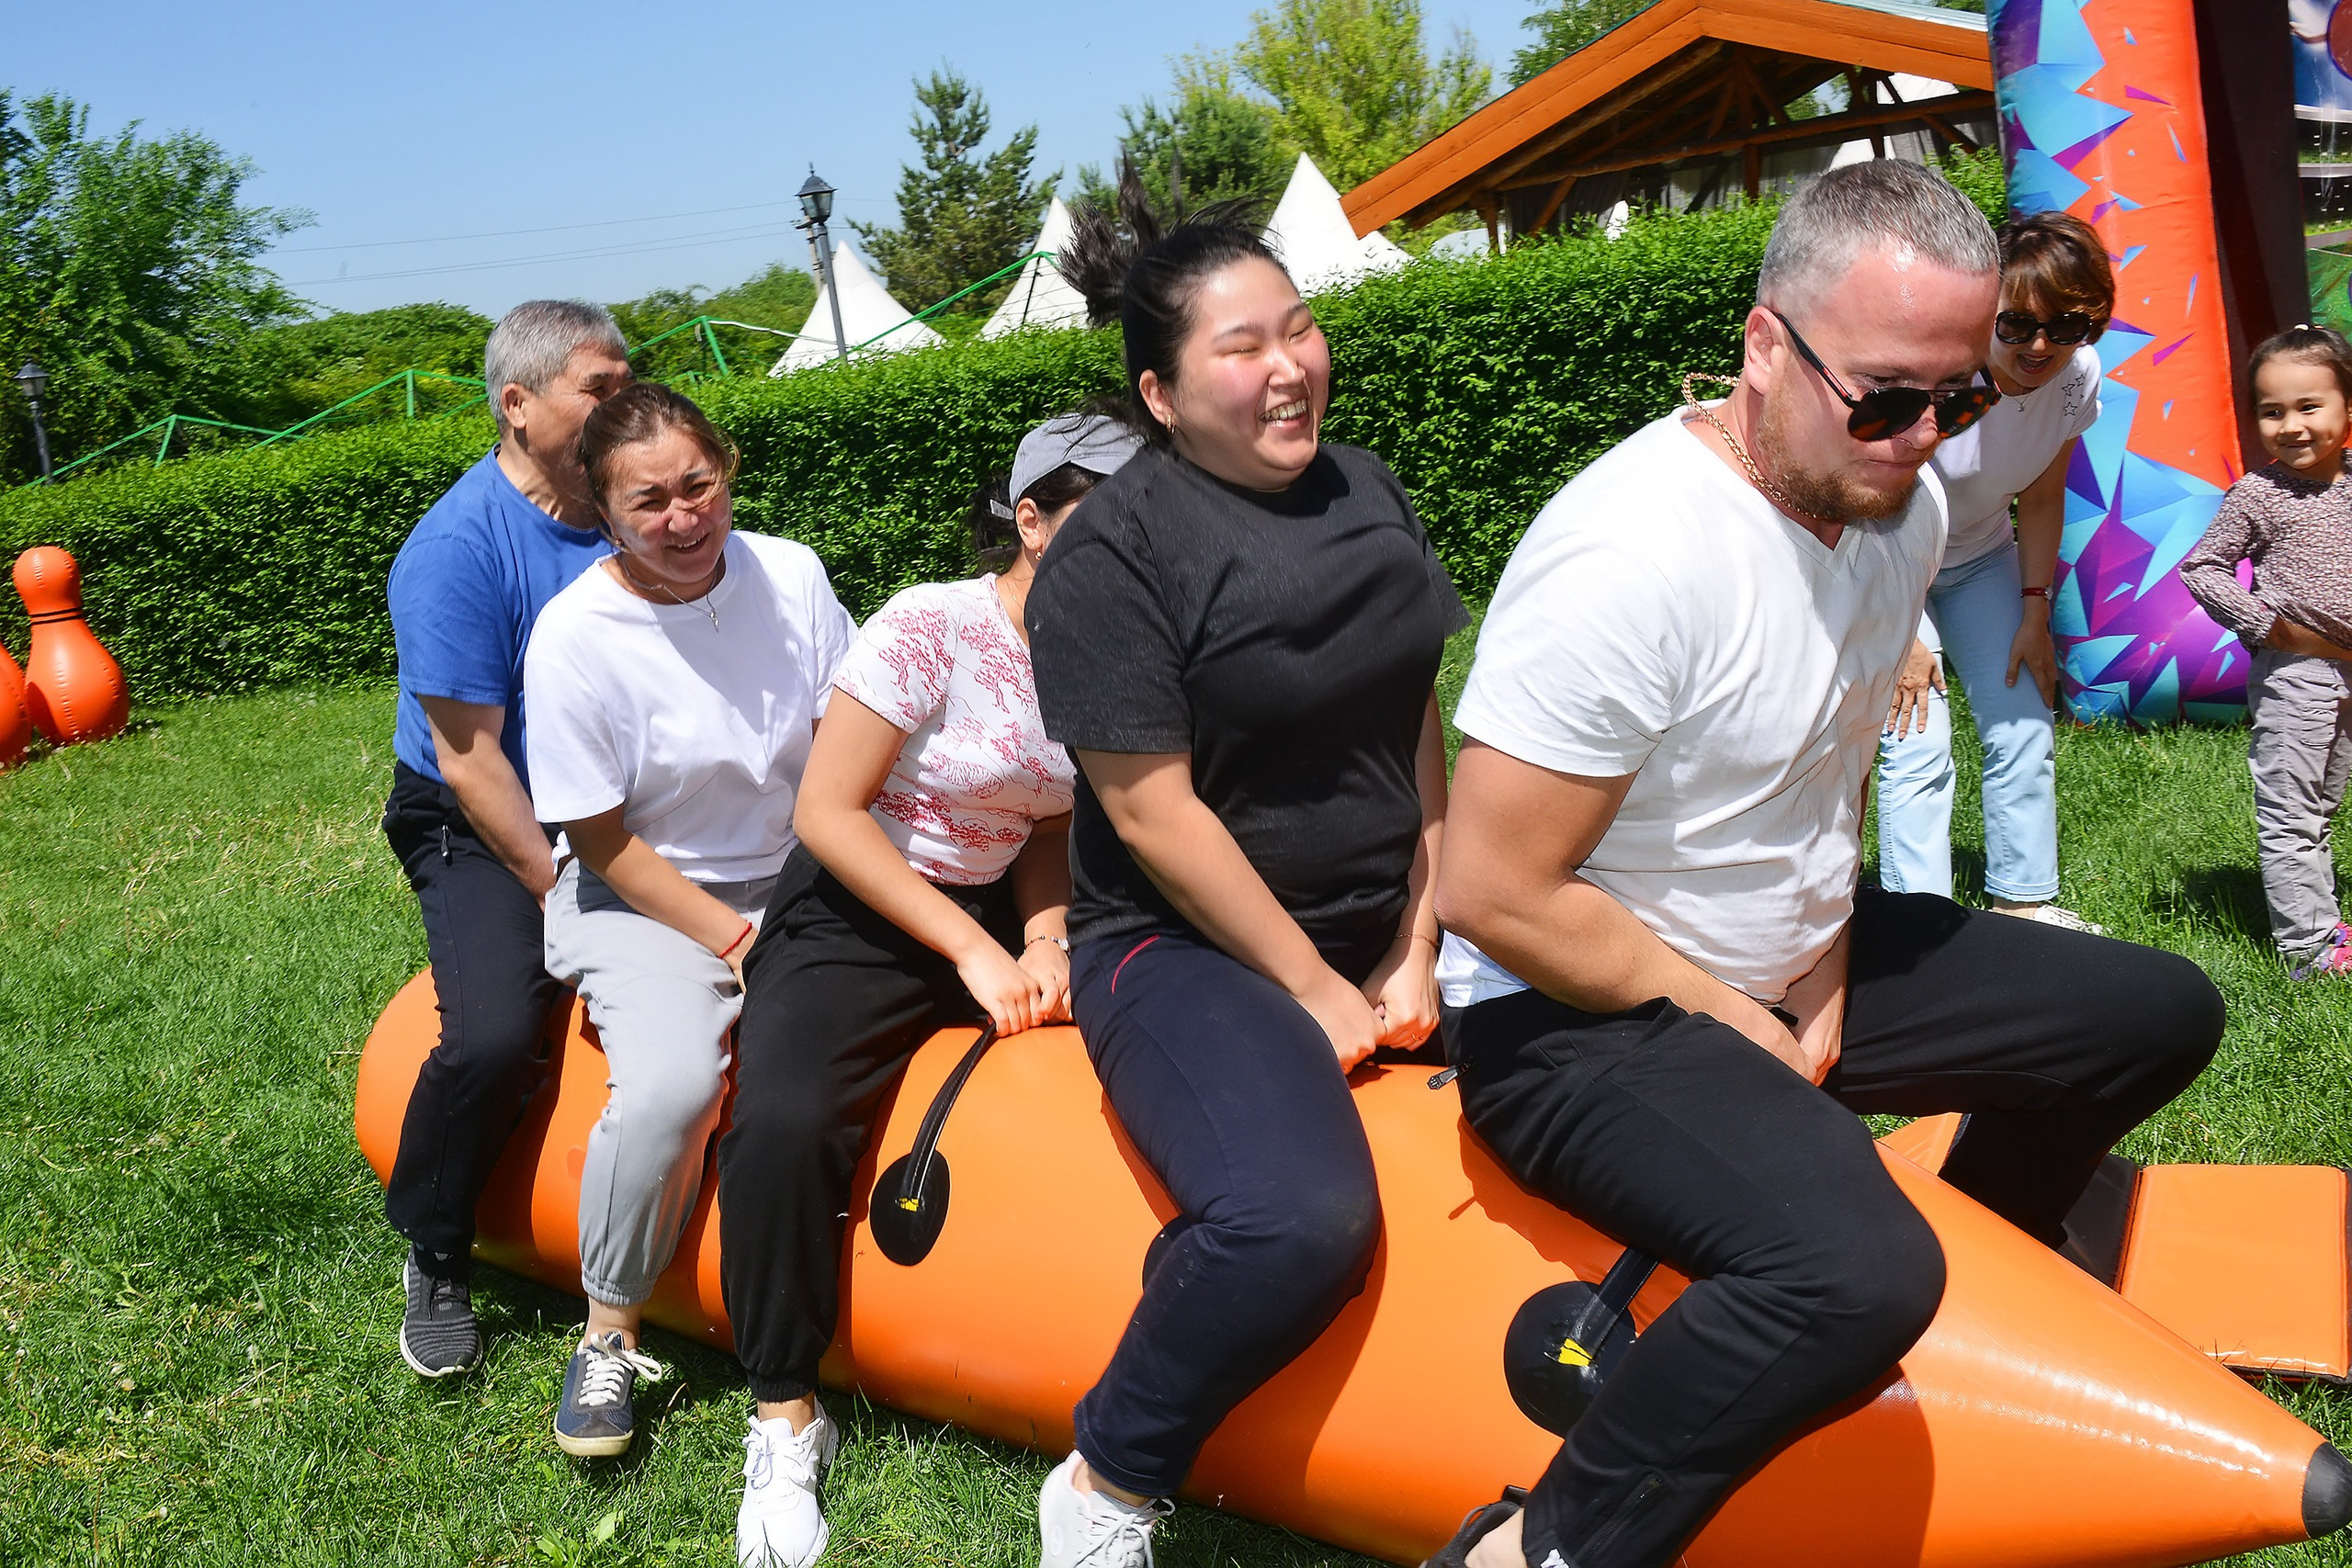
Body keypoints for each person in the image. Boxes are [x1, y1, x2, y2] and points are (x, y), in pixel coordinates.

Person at [1429, 163, 2223, 1568]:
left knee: (2158, 1011)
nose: (1926, 439)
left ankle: (1989, 1270)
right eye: (1886, 398)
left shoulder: (1895, 510)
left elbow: (1829, 758)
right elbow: (1495, 892)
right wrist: (1732, 1017)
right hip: (1568, 1011)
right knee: (1855, 1267)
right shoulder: (1629, 555)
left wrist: (1832, 962)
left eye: (1960, 398)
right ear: (1760, 345)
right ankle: (1538, 1543)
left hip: (1789, 958)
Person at [1020, 190, 1467, 1568]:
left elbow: (1416, 719)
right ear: (1158, 392)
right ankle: (1108, 1477)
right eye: (1241, 347)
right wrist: (1318, 984)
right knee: (1297, 1216)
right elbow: (1153, 816)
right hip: (1183, 949)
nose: (1288, 366)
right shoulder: (1113, 556)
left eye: (1302, 327)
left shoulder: (1365, 482)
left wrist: (1421, 930)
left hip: (1385, 923)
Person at [717, 410, 1141, 1568]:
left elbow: (1045, 818)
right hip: (861, 904)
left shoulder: (1121, 649)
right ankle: (783, 1414)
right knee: (786, 1119)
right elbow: (826, 811)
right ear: (1032, 519)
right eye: (1105, 513)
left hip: (1004, 904)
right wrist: (973, 951)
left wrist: (1046, 935)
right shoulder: (932, 624)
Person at [523, 383, 854, 1459]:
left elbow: (845, 742)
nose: (682, 518)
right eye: (648, 502)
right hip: (639, 896)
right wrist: (737, 939)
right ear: (602, 513)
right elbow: (604, 842)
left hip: (802, 872)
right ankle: (608, 1331)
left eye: (697, 485)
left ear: (730, 469)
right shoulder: (574, 636)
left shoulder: (791, 574)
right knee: (672, 1085)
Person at [381, 299, 632, 1379]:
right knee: (493, 1034)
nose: (630, 405)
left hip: (616, 804)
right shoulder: (455, 548)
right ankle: (436, 1245)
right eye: (602, 390)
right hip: (480, 816)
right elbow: (472, 761)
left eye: (630, 382)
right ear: (517, 406)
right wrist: (563, 891)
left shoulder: (634, 511)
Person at [1874, 212, 2115, 931]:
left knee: (2023, 720)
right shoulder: (1938, 375)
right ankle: (1917, 926)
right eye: (2015, 324)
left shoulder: (2078, 379)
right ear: (1986, 308)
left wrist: (2036, 611)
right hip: (1888, 557)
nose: (2039, 345)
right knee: (1917, 734)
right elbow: (1876, 501)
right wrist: (1904, 634)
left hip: (1982, 558)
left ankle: (2024, 904)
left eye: (2065, 325)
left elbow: (2042, 495)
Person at [2181, 325, 2352, 976]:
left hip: (2348, 670)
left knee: (2324, 801)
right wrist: (2263, 626)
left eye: (2309, 406)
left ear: (2347, 409)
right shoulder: (2259, 494)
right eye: (2272, 410)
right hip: (2297, 673)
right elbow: (2202, 568)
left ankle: (2324, 922)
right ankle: (2307, 949)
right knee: (2292, 807)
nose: (2291, 425)